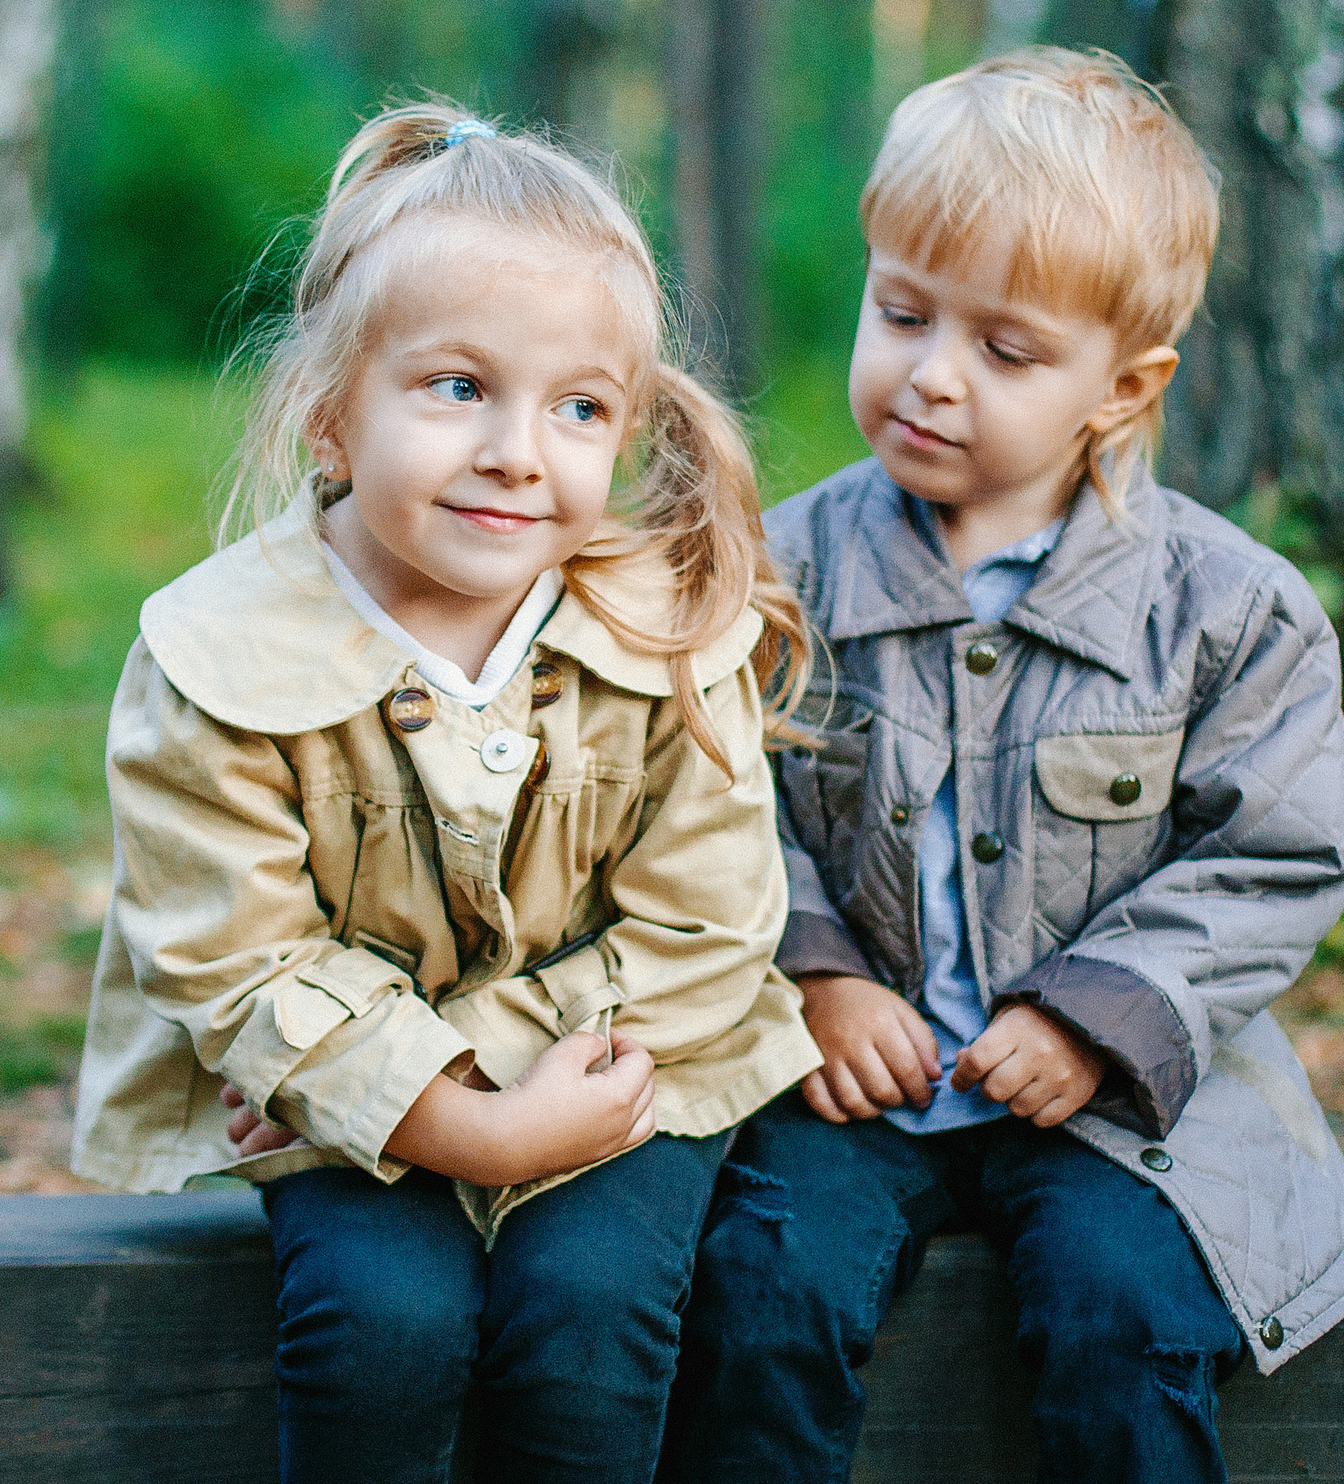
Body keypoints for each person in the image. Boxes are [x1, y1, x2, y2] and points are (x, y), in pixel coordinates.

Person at [69, 103, 822, 1484]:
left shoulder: (668, 631)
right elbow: (232, 958)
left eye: (579, 408)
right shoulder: (214, 655)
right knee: (381, 1326)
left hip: (624, 1074)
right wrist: (444, 1118)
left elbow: (708, 932)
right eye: (459, 388)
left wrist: (493, 1094)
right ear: (329, 409)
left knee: (589, 1319)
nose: (518, 453)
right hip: (348, 1098)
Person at [657, 48, 1344, 1484]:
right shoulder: (776, 573)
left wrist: (1103, 1019)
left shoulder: (1227, 612)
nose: (930, 375)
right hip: (851, 1085)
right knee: (760, 1297)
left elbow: (1272, 855)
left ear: (1125, 385)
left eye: (1006, 349)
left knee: (1127, 1313)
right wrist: (817, 970)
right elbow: (704, 794)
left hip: (1113, 1104)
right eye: (902, 311)